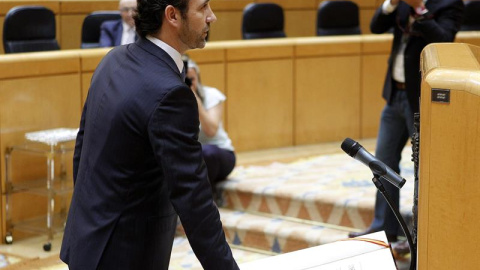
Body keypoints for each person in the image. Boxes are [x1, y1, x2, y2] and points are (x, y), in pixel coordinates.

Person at [60, 0, 239, 269]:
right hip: (126, 256)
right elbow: (194, 201)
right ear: (172, 16)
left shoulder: (113, 59)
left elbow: (82, 147)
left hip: (87, 242)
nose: (211, 17)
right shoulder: (171, 94)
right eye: (203, 8)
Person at [348, 0, 463, 247]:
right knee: (382, 163)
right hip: (394, 95)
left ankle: (418, 236)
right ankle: (385, 228)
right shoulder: (400, 4)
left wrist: (420, 10)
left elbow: (445, 39)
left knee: (425, 170)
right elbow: (376, 26)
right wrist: (390, 3)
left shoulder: (448, 3)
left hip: (421, 99)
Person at [186, 58, 236, 197]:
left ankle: (208, 197)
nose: (188, 83)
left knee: (205, 152)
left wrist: (195, 100)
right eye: (184, 80)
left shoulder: (211, 95)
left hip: (220, 155)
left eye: (191, 79)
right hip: (192, 157)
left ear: (198, 79)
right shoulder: (172, 100)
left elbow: (211, 130)